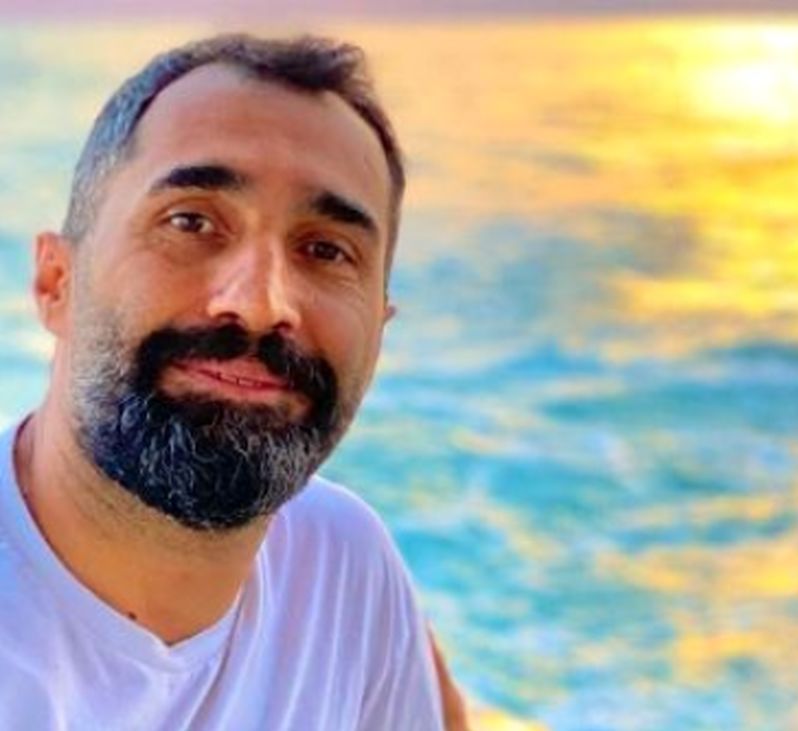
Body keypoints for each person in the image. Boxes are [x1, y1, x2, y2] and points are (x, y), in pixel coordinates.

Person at [0, 34, 468, 730]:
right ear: (56, 282)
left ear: (380, 325)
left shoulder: (342, 565)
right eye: (190, 221)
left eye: (326, 249)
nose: (258, 303)